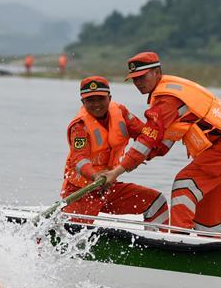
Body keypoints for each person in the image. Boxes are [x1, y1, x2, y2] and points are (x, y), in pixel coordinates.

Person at [95, 52, 221, 233]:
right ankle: (208, 245)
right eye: (134, 79)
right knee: (207, 205)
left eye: (142, 77)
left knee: (184, 185)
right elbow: (161, 144)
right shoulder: (169, 92)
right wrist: (142, 153)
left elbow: (147, 140)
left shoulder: (166, 101)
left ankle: (179, 240)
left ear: (157, 72)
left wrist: (117, 171)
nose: (138, 83)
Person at [62, 76, 168, 227]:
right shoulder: (79, 126)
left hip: (108, 188)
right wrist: (95, 175)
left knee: (157, 202)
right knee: (75, 234)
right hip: (81, 192)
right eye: (90, 100)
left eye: (100, 99)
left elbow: (144, 135)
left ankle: (159, 244)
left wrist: (147, 151)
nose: (96, 104)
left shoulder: (121, 112)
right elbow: (79, 159)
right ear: (83, 102)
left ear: (109, 98)